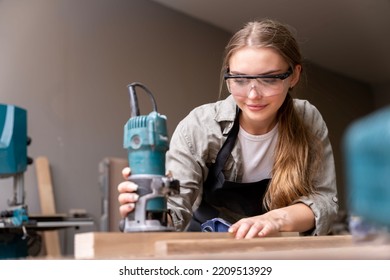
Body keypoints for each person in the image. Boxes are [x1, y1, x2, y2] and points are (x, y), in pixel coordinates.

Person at [118, 18, 338, 238]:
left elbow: (324, 202)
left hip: (273, 250)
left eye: (269, 79)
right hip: (207, 247)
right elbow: (174, 211)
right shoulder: (200, 127)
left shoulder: (308, 119)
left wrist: (274, 219)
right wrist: (147, 212)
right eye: (240, 79)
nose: (253, 95)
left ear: (294, 76)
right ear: (228, 77)